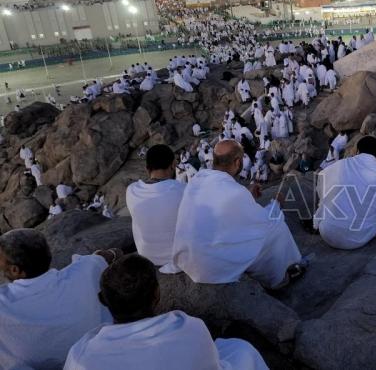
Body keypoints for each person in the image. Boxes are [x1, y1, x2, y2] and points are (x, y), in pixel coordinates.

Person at [64, 254, 268, 370]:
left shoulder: (80, 357)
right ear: (157, 295)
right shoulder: (190, 329)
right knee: (240, 350)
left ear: (103, 301)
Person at [170, 140, 303, 289]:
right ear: (238, 162)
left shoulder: (197, 181)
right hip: (209, 269)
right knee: (277, 227)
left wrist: (246, 194)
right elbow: (265, 222)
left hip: (186, 258)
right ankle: (278, 279)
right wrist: (276, 203)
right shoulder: (234, 192)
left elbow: (221, 203)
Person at [0, 229, 118, 369]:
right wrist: (111, 254)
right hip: (102, 354)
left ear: (15, 270)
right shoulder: (85, 270)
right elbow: (110, 254)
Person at [313, 136, 376, 250]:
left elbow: (322, 176)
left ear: (357, 151)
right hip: (357, 239)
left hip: (327, 233)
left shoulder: (341, 164)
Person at [126, 145, 186, 267]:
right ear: (173, 165)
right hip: (178, 259)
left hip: (147, 257)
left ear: (147, 169)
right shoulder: (183, 191)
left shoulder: (131, 190)